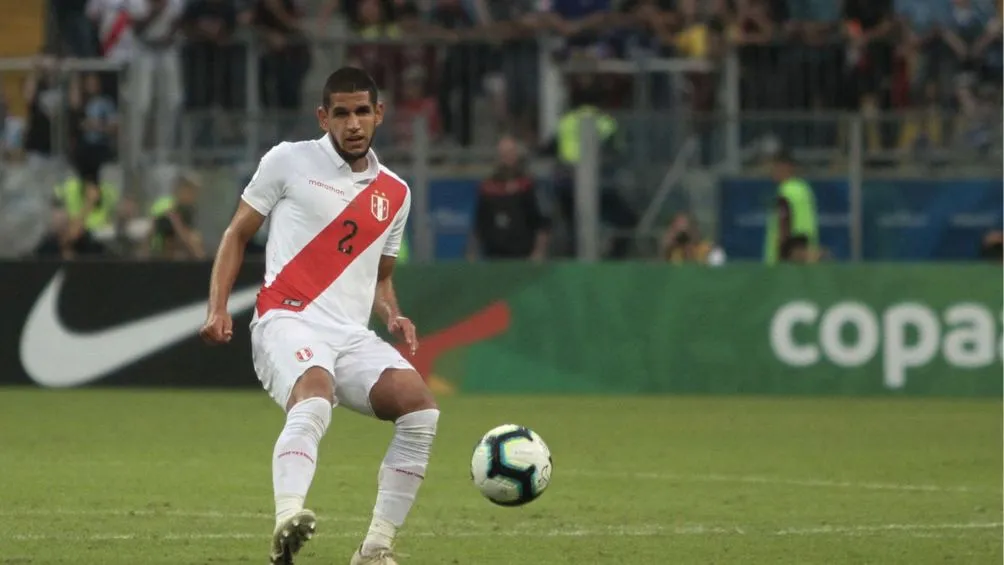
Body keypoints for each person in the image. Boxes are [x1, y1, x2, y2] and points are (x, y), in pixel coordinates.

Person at [199, 67, 438, 565]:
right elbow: (236, 234)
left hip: (350, 334)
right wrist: (218, 307)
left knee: (420, 409)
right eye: (343, 113)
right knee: (315, 390)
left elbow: (381, 275)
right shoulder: (288, 160)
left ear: (379, 114)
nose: (353, 124)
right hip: (287, 318)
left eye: (362, 112)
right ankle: (288, 516)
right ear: (324, 117)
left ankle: (375, 549)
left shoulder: (394, 193)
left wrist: (392, 313)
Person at [763, 148, 819, 264]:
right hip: (805, 256)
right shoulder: (803, 189)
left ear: (785, 167)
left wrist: (782, 257)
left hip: (788, 262)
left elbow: (785, 227)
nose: (771, 172)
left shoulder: (786, 193)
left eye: (774, 167)